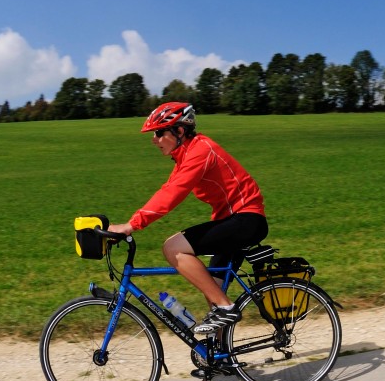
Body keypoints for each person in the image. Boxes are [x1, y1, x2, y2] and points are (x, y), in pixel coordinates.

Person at [106, 102, 267, 334]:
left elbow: (172, 194)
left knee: (173, 248)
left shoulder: (200, 151)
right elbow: (167, 188)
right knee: (212, 289)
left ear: (179, 131)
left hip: (245, 219)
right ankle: (219, 351)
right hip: (233, 220)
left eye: (159, 133)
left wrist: (131, 225)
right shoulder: (187, 155)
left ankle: (227, 307)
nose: (154, 140)